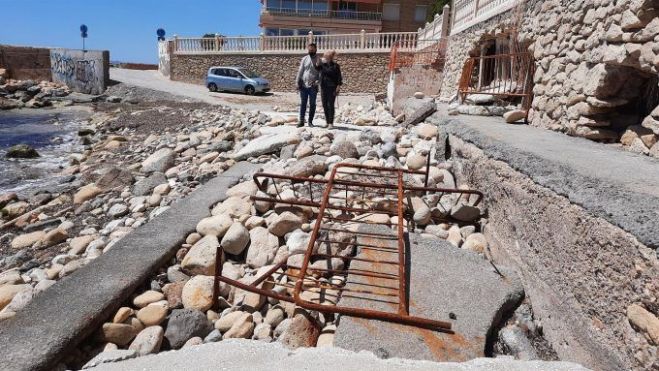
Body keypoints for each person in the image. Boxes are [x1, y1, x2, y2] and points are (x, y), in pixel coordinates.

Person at [296, 43, 320, 127]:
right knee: (303, 103)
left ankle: (310, 121)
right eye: (309, 50)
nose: (311, 51)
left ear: (316, 50)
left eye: (312, 50)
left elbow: (321, 73)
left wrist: (317, 81)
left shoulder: (318, 60)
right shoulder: (304, 59)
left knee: (312, 104)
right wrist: (297, 82)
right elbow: (300, 71)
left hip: (313, 86)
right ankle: (301, 121)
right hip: (303, 85)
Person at [317, 50, 342, 128]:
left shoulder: (335, 66)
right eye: (324, 56)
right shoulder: (323, 65)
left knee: (330, 105)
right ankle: (327, 122)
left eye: (325, 56)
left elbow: (339, 77)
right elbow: (317, 68)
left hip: (332, 87)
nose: (324, 57)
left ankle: (331, 123)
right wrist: (318, 62)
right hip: (323, 87)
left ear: (330, 57)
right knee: (324, 105)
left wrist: (338, 87)